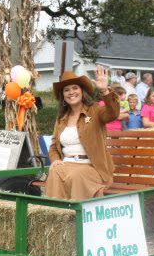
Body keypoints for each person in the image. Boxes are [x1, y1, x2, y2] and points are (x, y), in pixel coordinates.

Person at [45, 66, 119, 200]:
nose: (71, 92)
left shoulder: (95, 110)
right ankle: (57, 215)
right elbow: (54, 146)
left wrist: (104, 90)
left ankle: (78, 217)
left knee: (76, 175)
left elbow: (112, 114)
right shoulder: (62, 118)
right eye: (66, 90)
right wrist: (55, 160)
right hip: (66, 165)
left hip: (91, 167)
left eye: (75, 88)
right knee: (54, 172)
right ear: (63, 95)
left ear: (82, 91)